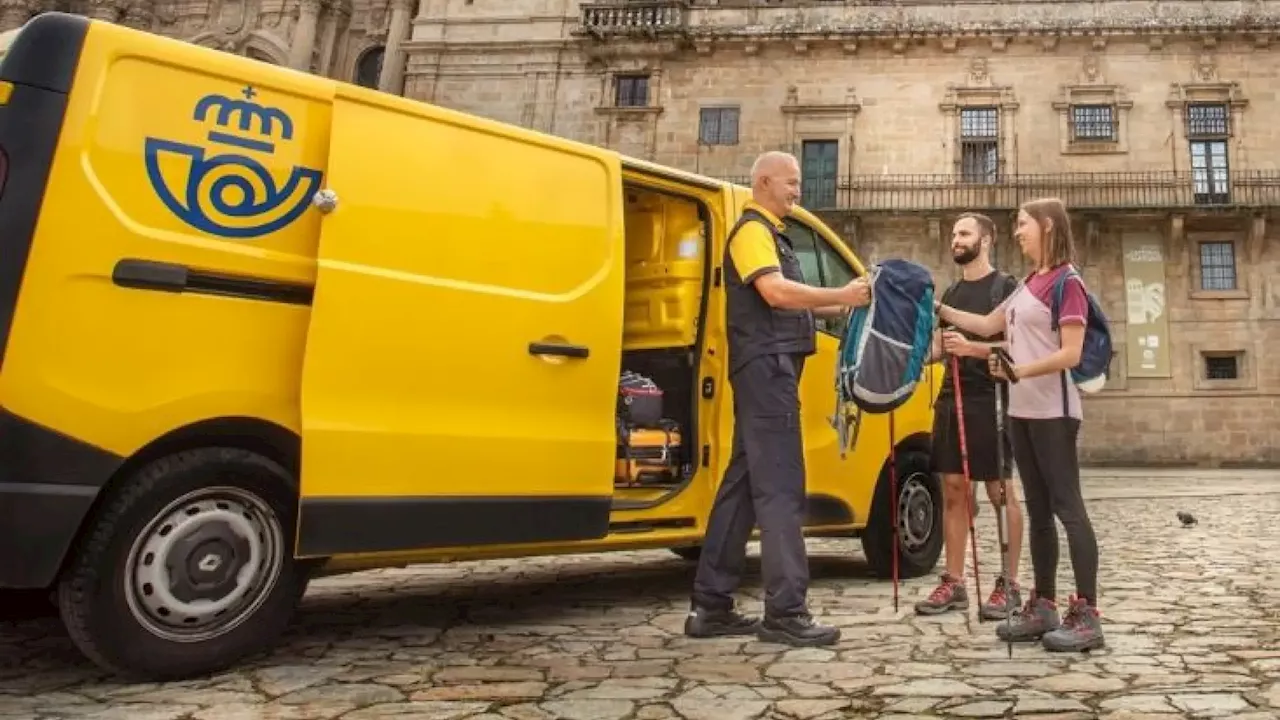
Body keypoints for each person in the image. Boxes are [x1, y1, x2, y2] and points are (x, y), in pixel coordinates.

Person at [685, 151, 872, 647]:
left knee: (743, 485)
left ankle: (711, 606)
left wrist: (852, 302)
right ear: (764, 182)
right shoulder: (751, 232)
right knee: (782, 489)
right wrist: (840, 295)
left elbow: (796, 299)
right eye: (791, 183)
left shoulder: (773, 234)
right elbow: (775, 293)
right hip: (767, 370)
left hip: (769, 368)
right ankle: (786, 612)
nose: (798, 190)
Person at [934, 197, 1104, 653]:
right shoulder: (1029, 282)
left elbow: (1069, 352)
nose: (1018, 231)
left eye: (1024, 224)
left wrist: (1017, 372)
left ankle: (1088, 613)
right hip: (1022, 411)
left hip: (1055, 411)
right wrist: (939, 310)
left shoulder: (1068, 282)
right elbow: (992, 325)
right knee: (1040, 511)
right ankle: (1043, 604)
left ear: (1047, 226)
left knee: (1069, 508)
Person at [915, 212, 1026, 621]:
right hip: (951, 397)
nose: (956, 240)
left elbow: (1015, 344)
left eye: (965, 233)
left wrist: (972, 348)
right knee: (954, 491)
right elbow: (939, 348)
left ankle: (1009, 583)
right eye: (954, 234)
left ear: (988, 239)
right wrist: (906, 363)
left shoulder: (1007, 288)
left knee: (1000, 493)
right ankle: (954, 581)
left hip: (990, 399)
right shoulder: (952, 293)